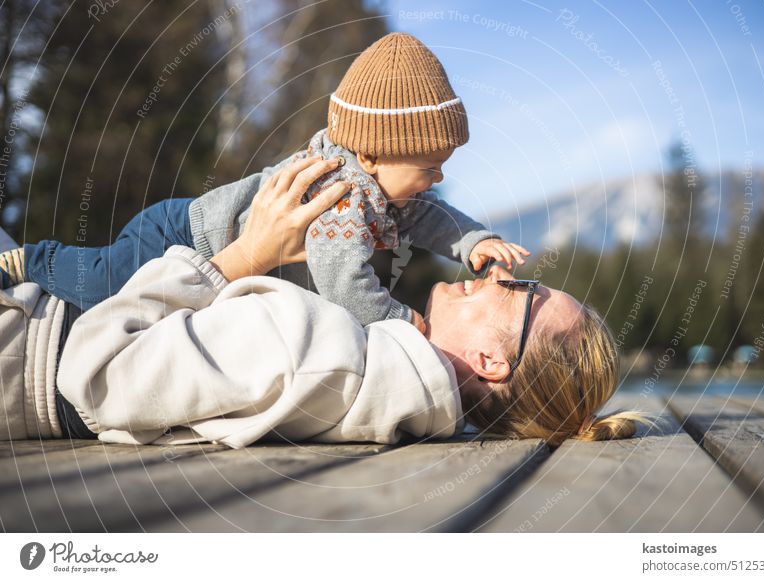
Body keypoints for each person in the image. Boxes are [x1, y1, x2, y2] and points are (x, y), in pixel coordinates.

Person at [1, 159, 653, 448]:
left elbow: (92, 373)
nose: (491, 275)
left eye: (516, 291)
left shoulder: (333, 357)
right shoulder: (390, 379)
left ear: (489, 359)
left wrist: (242, 258)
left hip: (27, 341)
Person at [0, 32, 530, 334]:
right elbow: (343, 279)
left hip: (197, 249)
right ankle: (35, 260)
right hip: (178, 239)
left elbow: (431, 214)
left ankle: (47, 291)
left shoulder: (384, 188)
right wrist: (401, 321)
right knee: (102, 288)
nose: (437, 179)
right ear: (370, 155)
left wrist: (474, 241)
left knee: (115, 312)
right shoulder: (340, 197)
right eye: (428, 167)